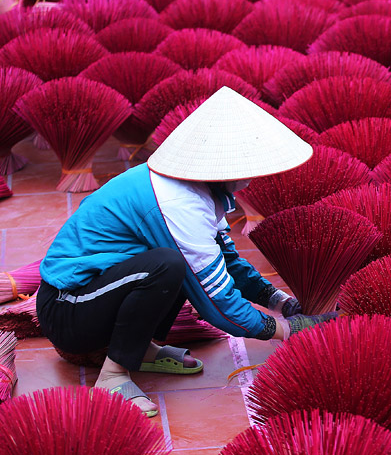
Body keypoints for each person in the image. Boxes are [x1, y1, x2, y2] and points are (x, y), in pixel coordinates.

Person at [36, 87, 336, 417]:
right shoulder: (181, 203)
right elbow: (216, 301)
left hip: (99, 299)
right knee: (167, 265)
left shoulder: (196, 189)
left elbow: (228, 262)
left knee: (172, 263)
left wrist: (283, 302)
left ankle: (139, 348)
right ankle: (112, 375)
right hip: (68, 309)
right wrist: (287, 330)